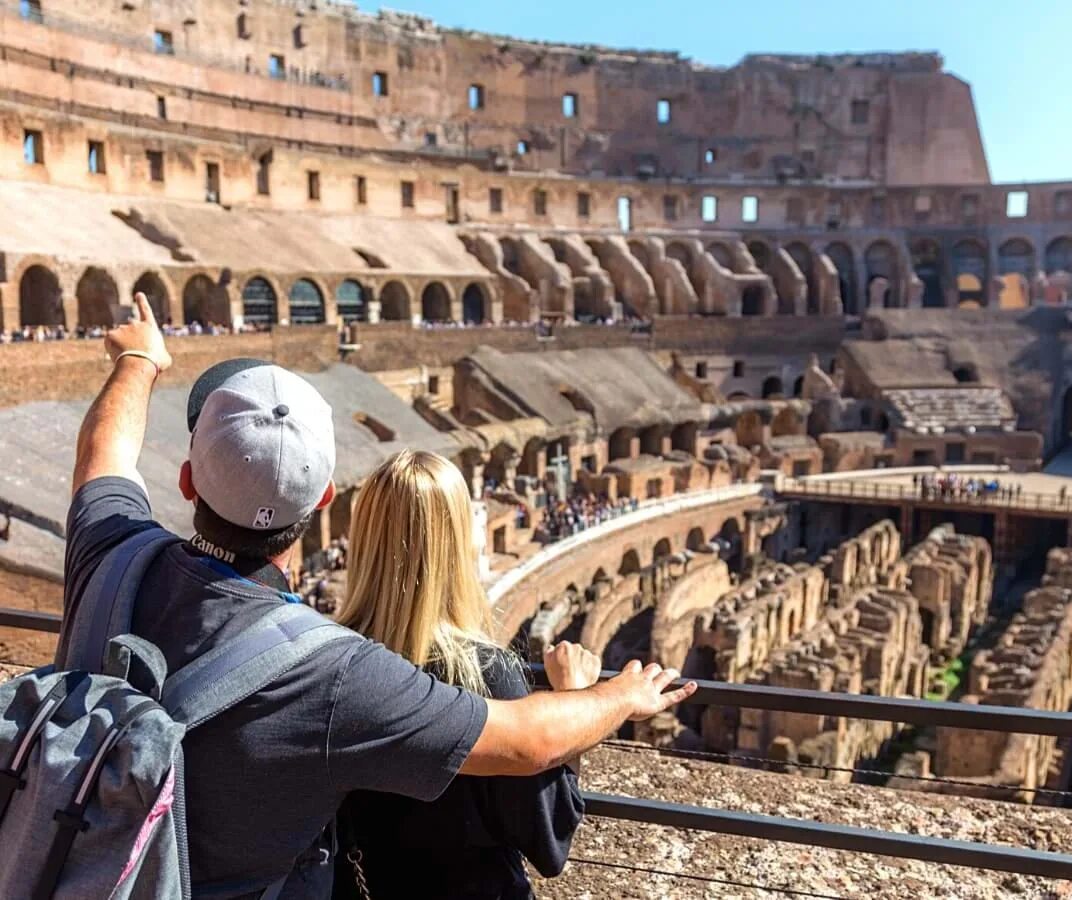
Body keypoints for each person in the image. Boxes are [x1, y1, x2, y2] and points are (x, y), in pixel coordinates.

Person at [63, 293, 696, 898]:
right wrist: (615, 694)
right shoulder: (330, 671)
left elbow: (102, 455)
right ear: (323, 500)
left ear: (186, 480)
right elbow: (527, 741)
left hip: (72, 866)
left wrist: (139, 361)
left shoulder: (112, 556)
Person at [333, 451, 593, 899]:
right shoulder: (488, 676)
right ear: (457, 544)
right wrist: (574, 701)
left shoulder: (328, 661)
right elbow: (550, 837)